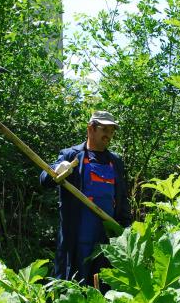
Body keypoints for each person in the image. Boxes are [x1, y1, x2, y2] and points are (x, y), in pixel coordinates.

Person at [40, 111, 131, 285]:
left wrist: (125, 226)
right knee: (72, 280)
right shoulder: (71, 155)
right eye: (104, 129)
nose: (109, 135)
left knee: (104, 280)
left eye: (112, 131)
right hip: (78, 232)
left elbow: (122, 197)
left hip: (107, 234)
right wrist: (59, 169)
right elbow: (44, 179)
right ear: (90, 129)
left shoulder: (115, 162)